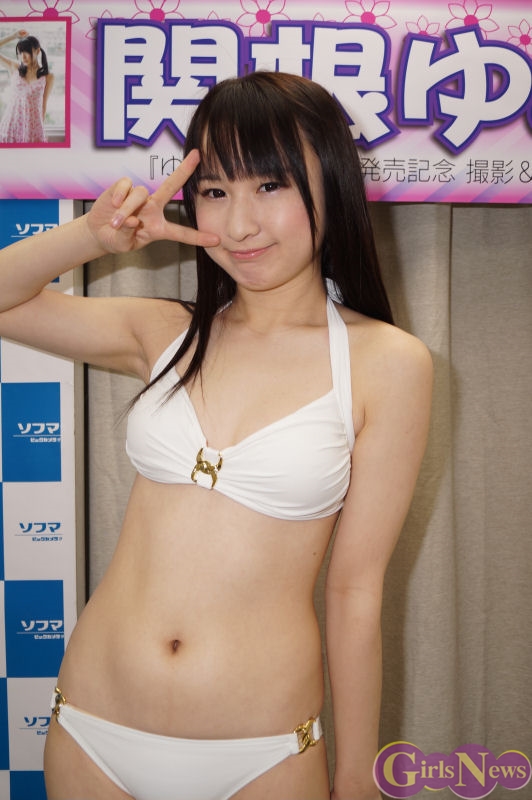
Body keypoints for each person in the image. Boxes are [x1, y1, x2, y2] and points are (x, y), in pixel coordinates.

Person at [0, 72, 432, 800]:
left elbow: (356, 590)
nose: (239, 225)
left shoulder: (388, 364)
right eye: (215, 191)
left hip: (264, 752)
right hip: (94, 729)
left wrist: (357, 777)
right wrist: (90, 237)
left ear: (330, 184)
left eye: (270, 186)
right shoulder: (163, 331)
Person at [0, 29, 54, 143]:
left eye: (26, 52)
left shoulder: (48, 77)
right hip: (10, 127)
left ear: (37, 51)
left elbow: (43, 106)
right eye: (20, 53)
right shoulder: (14, 68)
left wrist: (39, 130)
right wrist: (13, 36)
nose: (23, 57)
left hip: (32, 130)